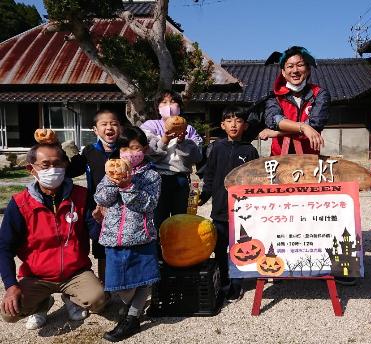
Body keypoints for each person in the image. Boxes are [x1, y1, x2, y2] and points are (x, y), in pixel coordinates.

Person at [0, 143, 106, 330]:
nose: (53, 170)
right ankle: (42, 304)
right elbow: (4, 247)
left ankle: (71, 299)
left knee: (99, 300)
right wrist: (10, 285)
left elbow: (96, 235)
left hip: (76, 273)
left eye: (57, 164)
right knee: (10, 312)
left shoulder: (81, 196)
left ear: (65, 166)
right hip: (36, 276)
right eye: (45, 165)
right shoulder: (19, 203)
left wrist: (102, 223)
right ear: (31, 169)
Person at [94, 126, 161, 342]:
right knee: (121, 285)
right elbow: (102, 199)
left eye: (135, 148)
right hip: (114, 237)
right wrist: (116, 183)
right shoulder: (109, 172)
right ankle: (129, 306)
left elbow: (149, 203)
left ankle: (132, 317)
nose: (130, 153)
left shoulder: (152, 175)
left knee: (143, 278)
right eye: (125, 148)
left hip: (141, 235)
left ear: (144, 149)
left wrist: (128, 186)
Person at [199, 106, 259, 301]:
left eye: (238, 120)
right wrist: (203, 196)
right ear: (223, 125)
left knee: (240, 246)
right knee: (219, 247)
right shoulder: (216, 147)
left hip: (242, 211)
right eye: (229, 120)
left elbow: (256, 180)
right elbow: (209, 175)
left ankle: (237, 283)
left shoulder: (250, 150)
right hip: (220, 209)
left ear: (245, 125)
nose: (234, 124)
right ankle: (223, 279)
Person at [66, 109, 122, 283]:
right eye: (104, 124)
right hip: (97, 210)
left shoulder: (125, 150)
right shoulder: (89, 152)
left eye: (113, 123)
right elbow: (70, 170)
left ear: (120, 127)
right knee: (101, 248)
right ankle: (105, 284)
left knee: (123, 246)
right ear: (95, 130)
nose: (109, 127)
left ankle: (123, 285)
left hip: (122, 207)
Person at [141, 91, 203, 228]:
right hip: (155, 177)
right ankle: (157, 249)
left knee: (180, 220)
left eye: (173, 102)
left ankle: (178, 248)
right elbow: (148, 154)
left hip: (180, 179)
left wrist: (182, 142)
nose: (168, 106)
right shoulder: (149, 126)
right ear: (157, 107)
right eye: (164, 102)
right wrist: (165, 139)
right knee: (157, 220)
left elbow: (196, 157)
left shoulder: (189, 129)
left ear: (180, 107)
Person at [260, 46, 330, 155]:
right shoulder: (274, 96)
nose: (295, 70)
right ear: (283, 72)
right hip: (278, 159)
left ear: (308, 69)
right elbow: (274, 120)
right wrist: (303, 127)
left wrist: (277, 133)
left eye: (300, 65)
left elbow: (315, 124)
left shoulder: (320, 94)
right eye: (290, 66)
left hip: (309, 159)